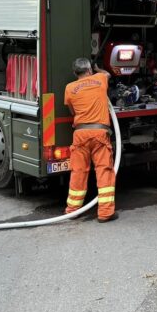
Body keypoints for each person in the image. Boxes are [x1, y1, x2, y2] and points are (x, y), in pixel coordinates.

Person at [63, 58, 117, 222]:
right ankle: (105, 213)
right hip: (99, 134)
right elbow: (108, 74)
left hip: (80, 134)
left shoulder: (69, 88)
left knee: (78, 171)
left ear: (75, 73)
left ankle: (72, 210)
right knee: (104, 170)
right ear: (89, 70)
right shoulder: (100, 79)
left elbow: (72, 111)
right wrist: (98, 69)